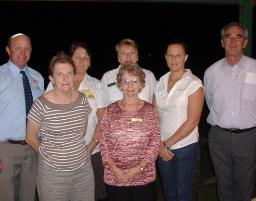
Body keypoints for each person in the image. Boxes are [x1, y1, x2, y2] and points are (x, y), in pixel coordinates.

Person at [26, 52, 94, 201]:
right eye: (60, 74)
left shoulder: (82, 99)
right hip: (52, 175)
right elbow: (30, 137)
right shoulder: (41, 104)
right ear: (52, 78)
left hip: (82, 172)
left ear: (74, 75)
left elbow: (82, 131)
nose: (65, 78)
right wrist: (47, 154)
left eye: (69, 73)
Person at [46, 42, 107, 201]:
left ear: (90, 62)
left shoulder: (97, 85)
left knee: (91, 196)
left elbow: (102, 118)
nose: (81, 60)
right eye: (77, 57)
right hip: (60, 155)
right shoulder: (56, 82)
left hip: (91, 152)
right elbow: (46, 116)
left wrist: (91, 146)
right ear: (70, 59)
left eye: (85, 57)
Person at [204, 22, 256, 201]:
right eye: (228, 36)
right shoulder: (211, 72)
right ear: (222, 42)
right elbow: (210, 103)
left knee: (245, 186)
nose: (233, 41)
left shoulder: (255, 68)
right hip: (219, 138)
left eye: (238, 36)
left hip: (248, 138)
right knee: (223, 185)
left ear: (245, 42)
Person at [99, 63, 160, 201]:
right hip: (116, 177)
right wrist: (114, 169)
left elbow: (155, 143)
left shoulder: (150, 110)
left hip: (144, 177)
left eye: (134, 81)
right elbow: (103, 141)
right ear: (120, 85)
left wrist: (139, 169)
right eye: (125, 81)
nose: (130, 85)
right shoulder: (110, 110)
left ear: (141, 84)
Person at [155, 41, 204, 201]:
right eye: (170, 55)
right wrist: (159, 144)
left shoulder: (193, 83)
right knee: (169, 192)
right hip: (162, 148)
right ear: (165, 57)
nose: (174, 59)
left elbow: (193, 121)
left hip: (185, 149)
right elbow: (154, 116)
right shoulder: (160, 82)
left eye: (178, 55)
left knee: (184, 195)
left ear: (186, 57)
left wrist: (166, 144)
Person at [0, 33, 44, 201]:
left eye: (27, 48)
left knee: (28, 197)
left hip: (32, 148)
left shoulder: (37, 77)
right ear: (8, 50)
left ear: (31, 51)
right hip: (5, 150)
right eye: (17, 48)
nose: (23, 53)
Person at [101, 38, 156, 105]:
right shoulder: (107, 77)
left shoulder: (149, 76)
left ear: (137, 56)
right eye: (123, 53)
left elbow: (155, 103)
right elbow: (101, 105)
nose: (128, 57)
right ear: (118, 57)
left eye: (132, 53)